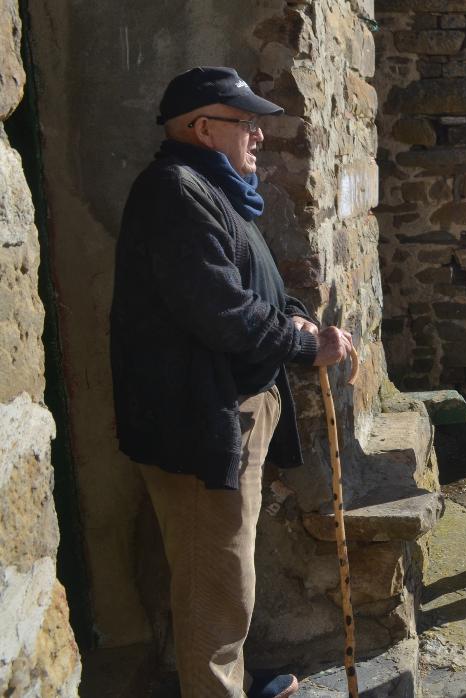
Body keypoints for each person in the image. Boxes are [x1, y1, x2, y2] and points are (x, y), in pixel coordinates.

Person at [111, 66, 355, 698]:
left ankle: (230, 682)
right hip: (200, 422)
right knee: (216, 587)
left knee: (224, 577)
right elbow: (222, 314)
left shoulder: (216, 189)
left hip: (230, 410)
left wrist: (294, 316)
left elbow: (254, 288)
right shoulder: (175, 192)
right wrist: (305, 342)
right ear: (201, 128)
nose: (259, 136)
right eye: (245, 122)